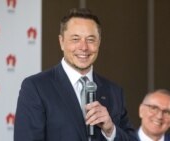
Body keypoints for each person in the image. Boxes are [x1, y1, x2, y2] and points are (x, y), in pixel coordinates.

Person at [14, 8, 137, 141]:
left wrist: (110, 130)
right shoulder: (36, 87)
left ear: (99, 42)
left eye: (91, 39)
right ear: (61, 42)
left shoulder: (114, 92)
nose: (83, 47)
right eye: (75, 39)